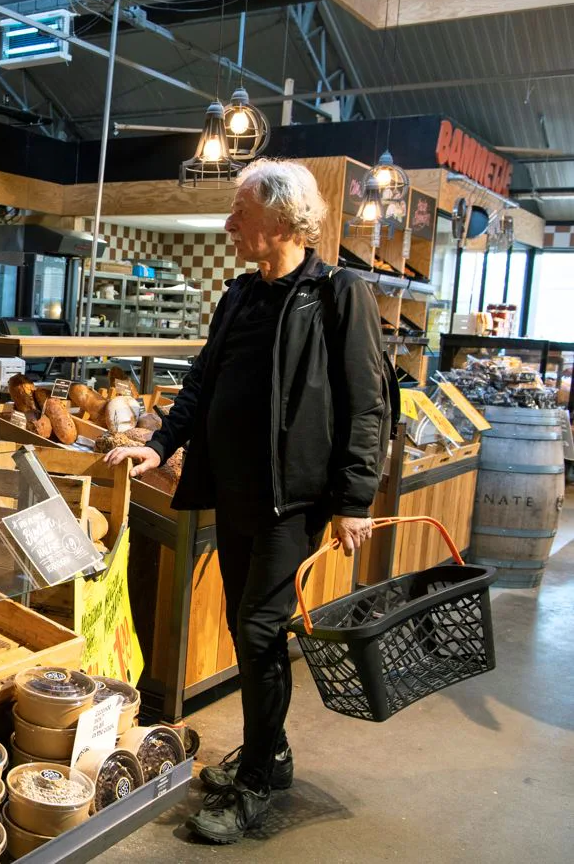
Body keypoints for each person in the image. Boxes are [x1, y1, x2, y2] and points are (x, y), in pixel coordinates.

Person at [104, 159, 388, 844]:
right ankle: (274, 753)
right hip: (231, 494)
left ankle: (258, 776)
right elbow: (202, 382)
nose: (230, 224)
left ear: (284, 220)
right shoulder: (239, 295)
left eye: (240, 212)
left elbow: (368, 403)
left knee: (260, 630)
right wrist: (162, 442)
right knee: (243, 622)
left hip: (294, 502)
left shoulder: (338, 294)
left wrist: (353, 500)